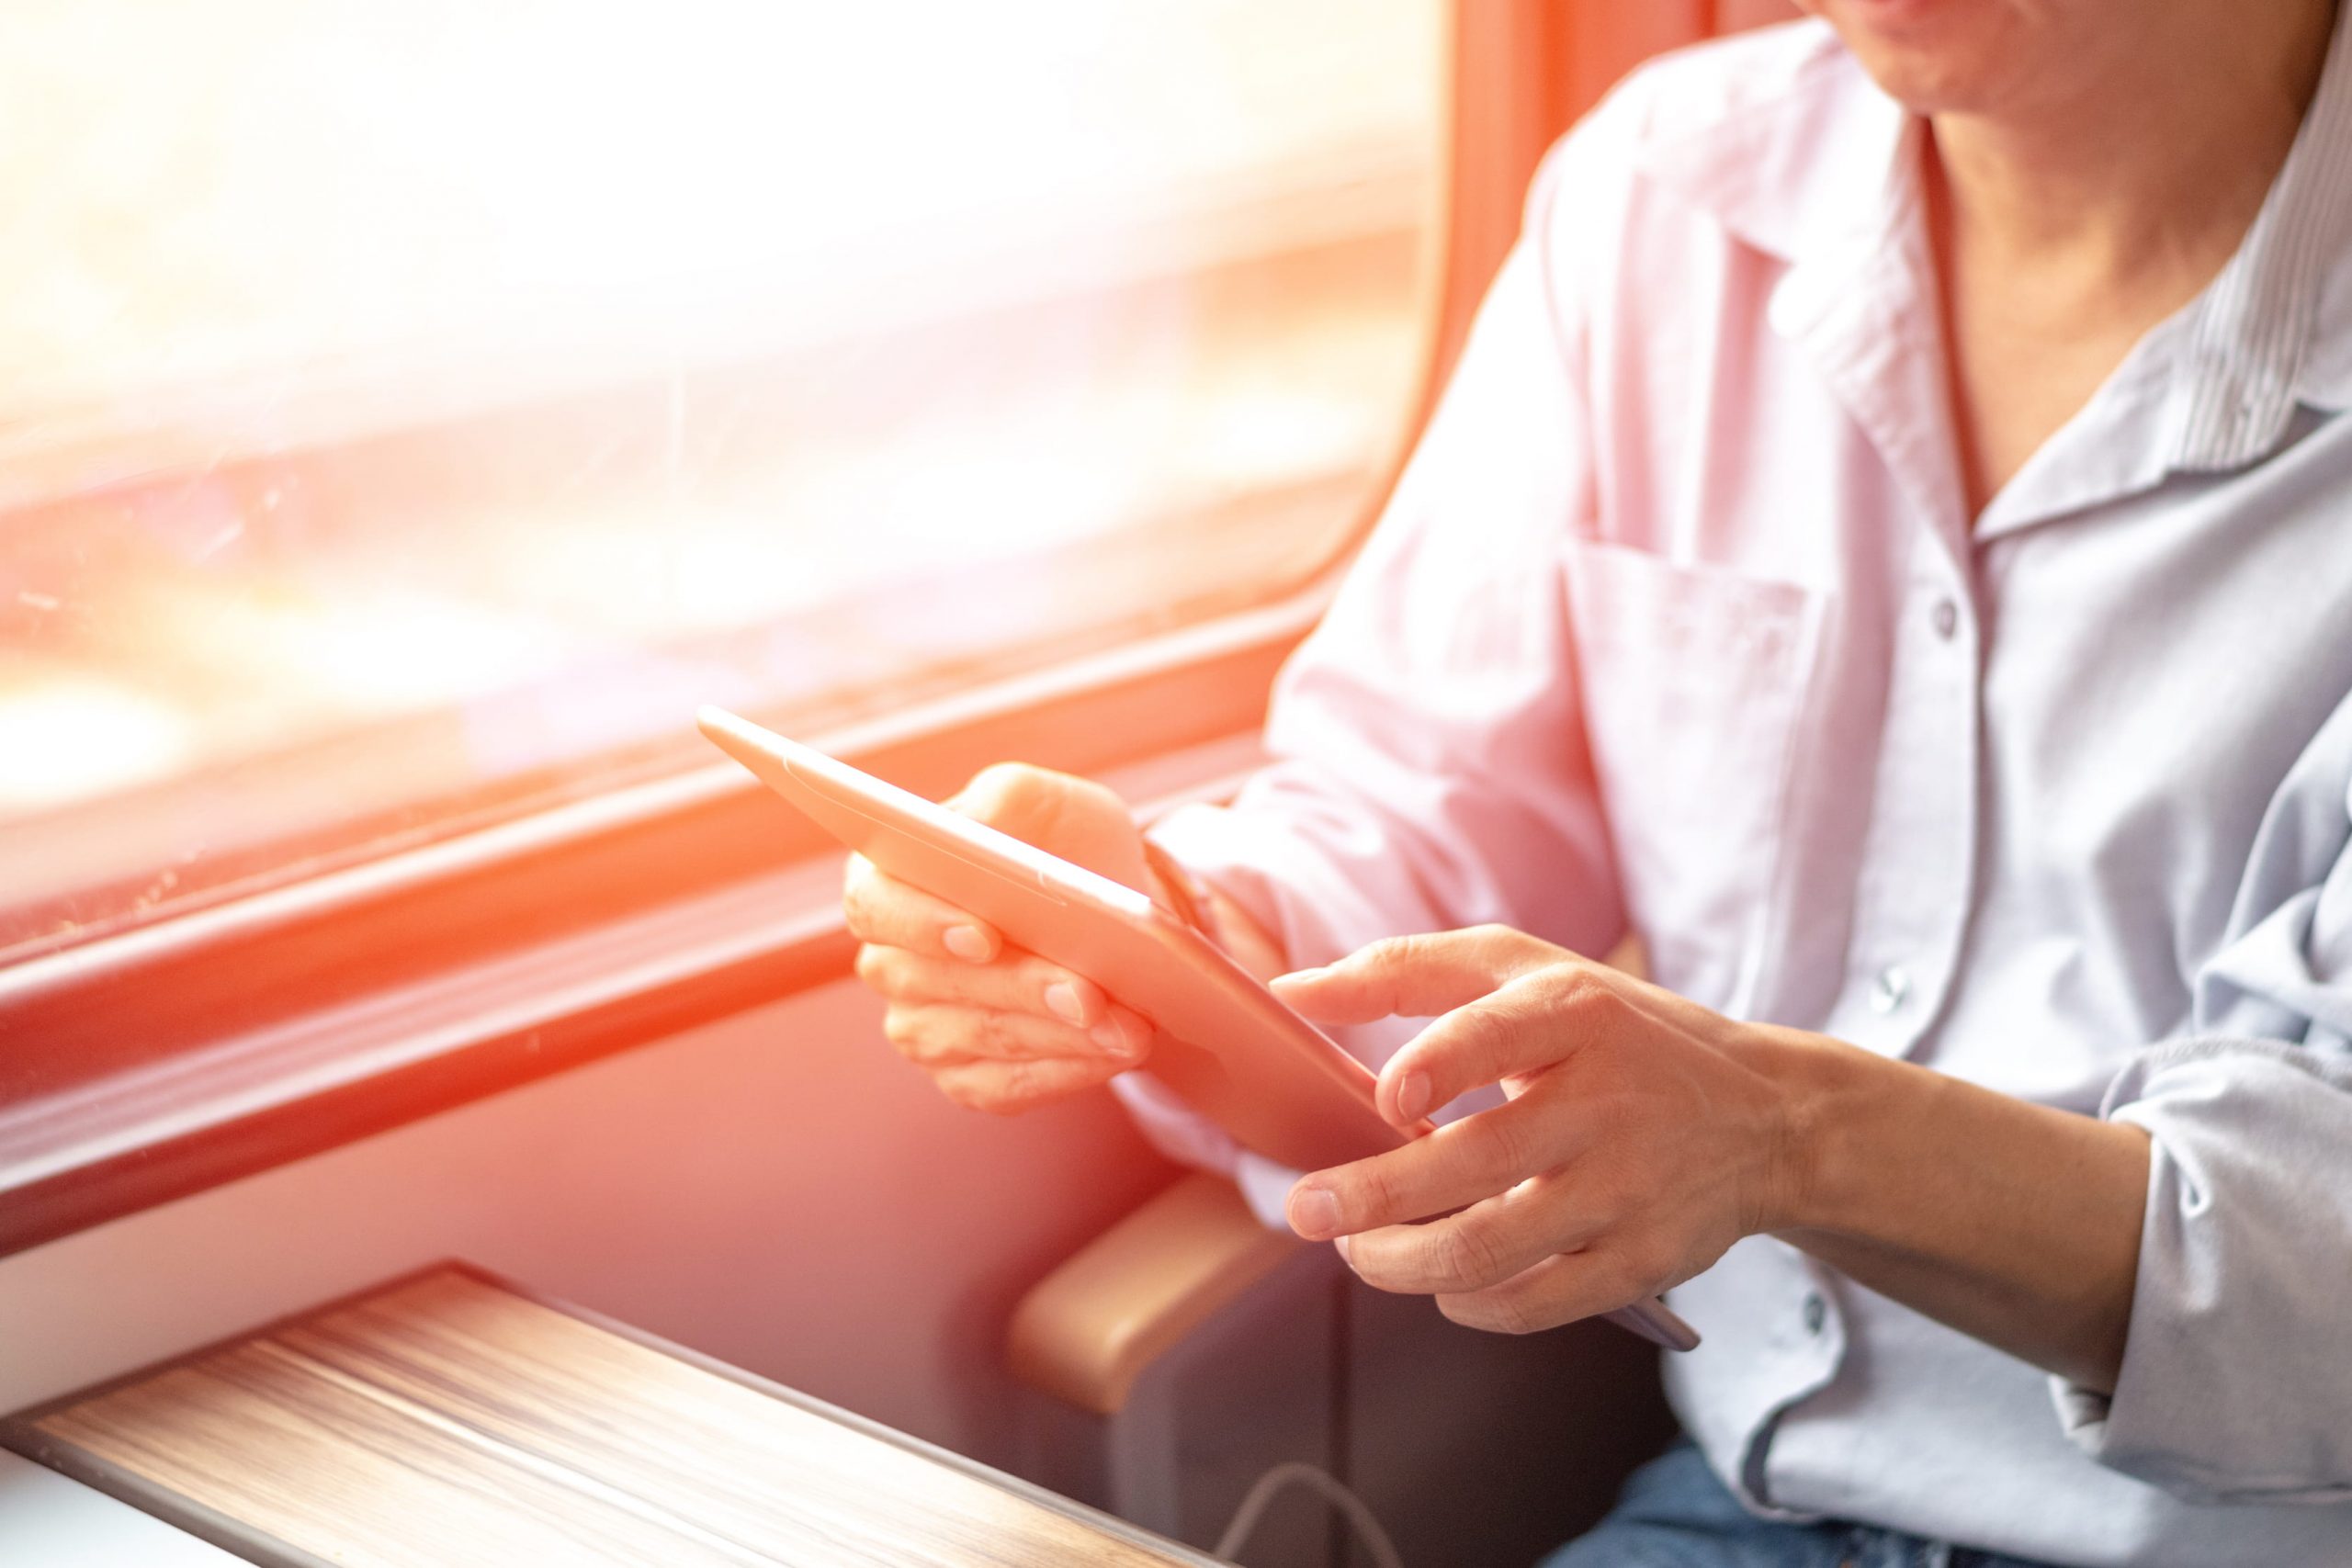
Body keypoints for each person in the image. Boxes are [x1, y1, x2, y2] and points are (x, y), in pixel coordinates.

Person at [844, 0, 2352, 1562]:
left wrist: (1788, 1135)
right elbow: (1424, 813)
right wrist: (1176, 934)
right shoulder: (1662, 200)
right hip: (1759, 1512)